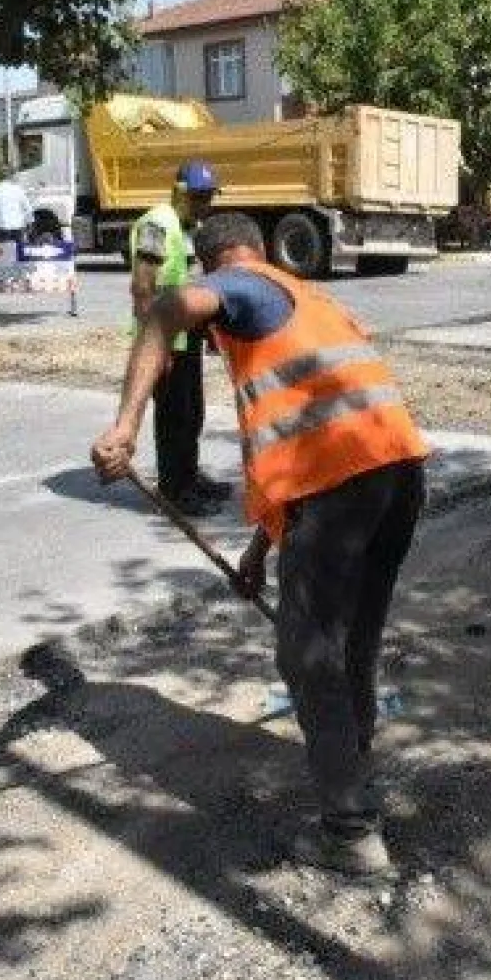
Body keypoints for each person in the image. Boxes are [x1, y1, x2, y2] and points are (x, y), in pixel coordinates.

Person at [91, 212, 428, 877]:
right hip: (395, 477)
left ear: (218, 260)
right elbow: (307, 447)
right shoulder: (309, 300)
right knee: (350, 644)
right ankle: (354, 768)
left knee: (309, 657)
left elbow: (162, 310)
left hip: (346, 489)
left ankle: (350, 831)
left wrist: (126, 425)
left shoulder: (242, 283)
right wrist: (256, 555)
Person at [129, 160, 232, 514]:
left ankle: (189, 476)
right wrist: (154, 346)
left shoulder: (187, 226)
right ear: (179, 193)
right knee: (174, 417)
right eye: (200, 197)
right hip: (164, 340)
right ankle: (174, 490)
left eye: (209, 198)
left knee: (192, 412)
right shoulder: (157, 225)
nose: (206, 205)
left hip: (185, 337)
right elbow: (143, 287)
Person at [0, 164, 34, 243]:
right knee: (18, 252)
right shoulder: (19, 189)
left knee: (5, 253)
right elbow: (27, 209)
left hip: (2, 228)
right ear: (11, 176)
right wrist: (30, 224)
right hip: (18, 227)